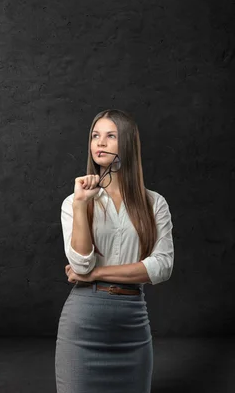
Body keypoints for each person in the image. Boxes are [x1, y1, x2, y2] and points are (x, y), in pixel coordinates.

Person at [54, 109, 175, 393]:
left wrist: (98, 273)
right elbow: (81, 266)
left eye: (111, 136)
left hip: (133, 321)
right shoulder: (74, 201)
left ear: (129, 144)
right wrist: (82, 205)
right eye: (95, 136)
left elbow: (161, 266)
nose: (100, 143)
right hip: (84, 322)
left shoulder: (154, 203)